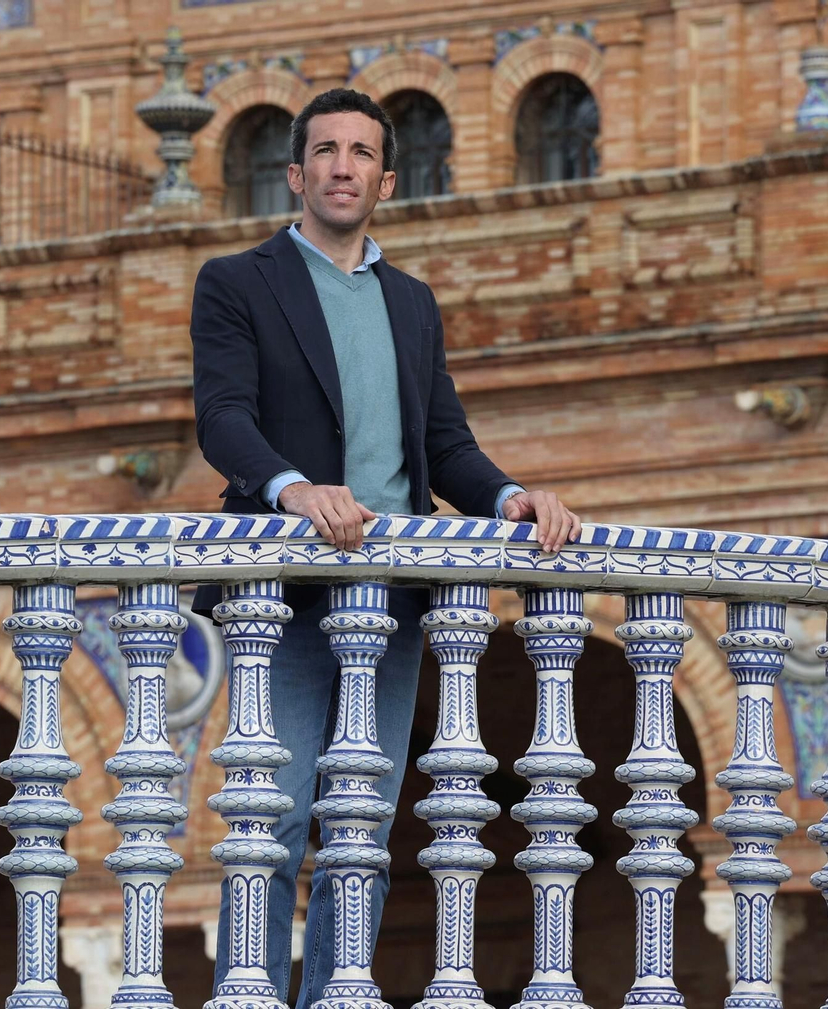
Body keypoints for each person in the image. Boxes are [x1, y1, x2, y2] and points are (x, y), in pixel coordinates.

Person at [190, 87, 581, 1008]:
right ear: (295, 175)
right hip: (282, 596)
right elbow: (223, 418)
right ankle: (248, 996)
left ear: (386, 181)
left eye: (361, 153)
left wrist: (512, 496)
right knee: (272, 815)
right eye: (325, 151)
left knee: (360, 824)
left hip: (393, 598)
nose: (342, 167)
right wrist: (293, 488)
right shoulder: (237, 281)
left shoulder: (412, 302)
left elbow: (444, 444)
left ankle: (337, 996)